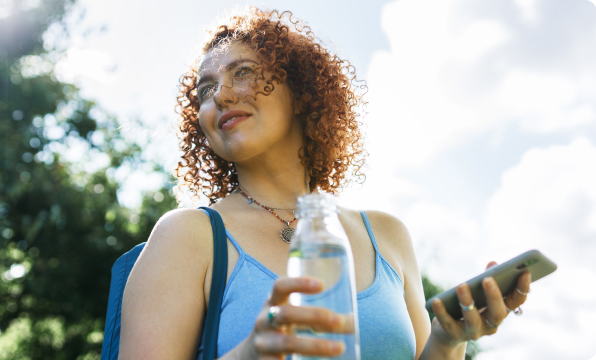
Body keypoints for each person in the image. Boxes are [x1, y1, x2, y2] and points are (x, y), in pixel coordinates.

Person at [118, 7, 531, 360]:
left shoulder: (387, 234)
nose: (221, 95)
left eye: (241, 72)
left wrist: (446, 340)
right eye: (204, 90)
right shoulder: (188, 235)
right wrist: (251, 353)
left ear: (301, 92)